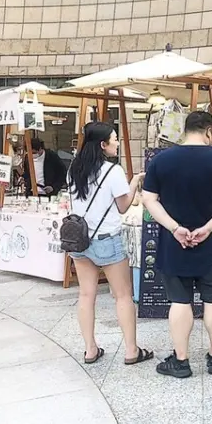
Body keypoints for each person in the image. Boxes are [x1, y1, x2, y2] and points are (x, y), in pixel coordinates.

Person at [142, 111, 212, 379]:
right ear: (209, 131)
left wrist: (175, 228)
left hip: (175, 243)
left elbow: (149, 199)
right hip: (211, 244)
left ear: (185, 130)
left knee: (179, 301)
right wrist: (208, 228)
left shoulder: (162, 161)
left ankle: (182, 360)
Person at [67, 122, 153, 366]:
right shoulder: (112, 171)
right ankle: (130, 350)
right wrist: (135, 180)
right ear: (103, 145)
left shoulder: (74, 169)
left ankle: (90, 349)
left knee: (86, 294)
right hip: (107, 239)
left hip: (79, 239)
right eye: (114, 139)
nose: (117, 143)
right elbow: (123, 206)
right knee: (123, 296)